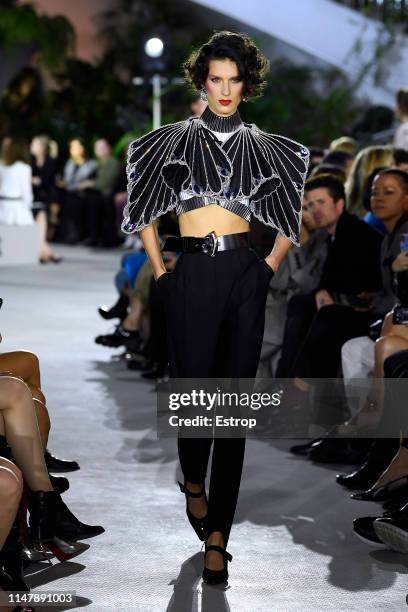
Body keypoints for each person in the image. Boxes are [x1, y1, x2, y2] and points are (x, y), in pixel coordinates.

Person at [122, 30, 309, 584]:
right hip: (191, 275)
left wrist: (268, 267)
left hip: (244, 274)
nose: (225, 89)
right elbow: (146, 214)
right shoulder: (170, 141)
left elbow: (288, 220)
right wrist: (160, 272)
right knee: (193, 393)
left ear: (246, 85)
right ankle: (194, 483)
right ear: (203, 82)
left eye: (234, 80)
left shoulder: (267, 147)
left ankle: (219, 538)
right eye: (215, 79)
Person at [30, 134, 61, 263]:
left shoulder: (50, 162)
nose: (31, 146)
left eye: (34, 144)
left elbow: (48, 182)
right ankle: (47, 252)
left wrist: (37, 181)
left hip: (47, 196)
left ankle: (45, 252)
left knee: (41, 214)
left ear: (41, 148)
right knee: (39, 217)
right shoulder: (31, 162)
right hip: (35, 197)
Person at [60, 138, 97, 243]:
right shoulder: (69, 163)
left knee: (73, 200)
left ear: (82, 148)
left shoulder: (91, 164)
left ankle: (76, 234)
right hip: (70, 193)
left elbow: (87, 183)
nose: (72, 149)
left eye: (75, 147)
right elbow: (68, 182)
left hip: (83, 194)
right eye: (71, 147)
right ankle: (70, 233)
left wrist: (72, 185)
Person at [0, 138, 33, 226]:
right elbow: (26, 192)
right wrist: (28, 206)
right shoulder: (24, 168)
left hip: (2, 206)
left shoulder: (1, 166)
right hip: (17, 209)